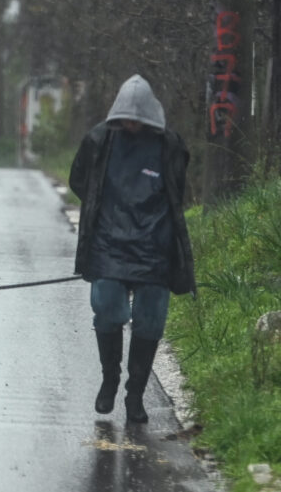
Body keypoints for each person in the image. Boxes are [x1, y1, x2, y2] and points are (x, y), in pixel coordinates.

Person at [68, 74, 196, 423]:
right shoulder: (98, 140)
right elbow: (79, 180)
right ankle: (109, 379)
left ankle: (135, 394)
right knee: (107, 309)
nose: (130, 124)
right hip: (109, 242)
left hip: (155, 246)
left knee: (150, 321)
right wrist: (107, 211)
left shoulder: (170, 145)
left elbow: (176, 188)